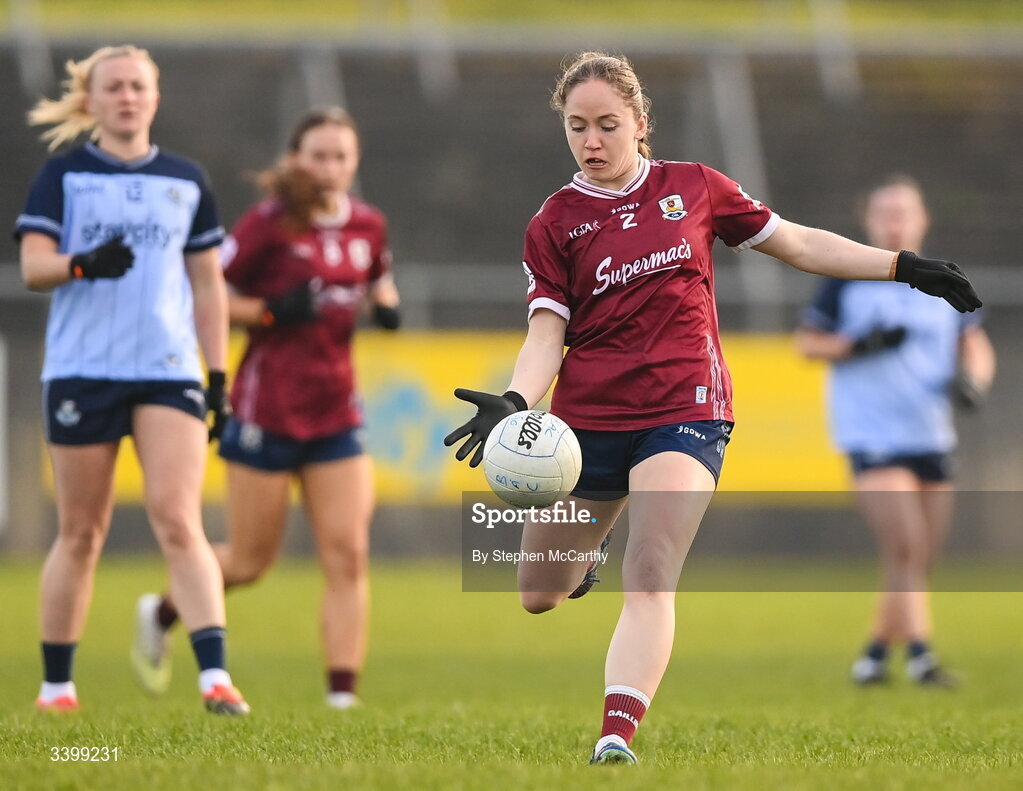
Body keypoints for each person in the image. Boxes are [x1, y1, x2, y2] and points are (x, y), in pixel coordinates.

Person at [444, 52, 981, 765]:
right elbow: (547, 332)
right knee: (539, 591)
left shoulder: (693, 188)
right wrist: (514, 401)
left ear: (641, 123)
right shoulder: (554, 222)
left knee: (653, 570)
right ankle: (590, 550)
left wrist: (901, 266)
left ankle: (615, 732)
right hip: (589, 423)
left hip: (686, 409)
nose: (591, 141)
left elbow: (794, 243)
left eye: (607, 124)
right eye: (577, 127)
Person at [132, 107, 400, 709]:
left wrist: (385, 304)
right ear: (295, 159)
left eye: (340, 156)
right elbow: (208, 293)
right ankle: (166, 608)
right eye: (318, 155)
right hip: (267, 409)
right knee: (252, 561)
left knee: (348, 551)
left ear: (354, 162)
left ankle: (342, 696)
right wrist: (272, 310)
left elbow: (378, 277)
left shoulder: (368, 225)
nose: (329, 168)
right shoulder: (267, 225)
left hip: (336, 411)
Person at [16, 45, 249, 715]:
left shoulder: (184, 180)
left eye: (137, 86)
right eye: (112, 87)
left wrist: (215, 376)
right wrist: (82, 264)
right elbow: (35, 266)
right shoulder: (64, 176)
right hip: (82, 369)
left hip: (166, 370)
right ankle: (57, 687)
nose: (126, 96)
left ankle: (215, 678)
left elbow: (209, 286)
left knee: (178, 518)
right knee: (81, 530)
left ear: (155, 96)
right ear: (90, 100)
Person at [796, 175, 996, 687]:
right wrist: (861, 345)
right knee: (906, 545)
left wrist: (972, 382)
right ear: (869, 220)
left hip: (930, 433)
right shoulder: (847, 277)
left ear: (923, 218)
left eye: (904, 211)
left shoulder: (943, 280)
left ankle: (874, 655)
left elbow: (974, 342)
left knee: (920, 555)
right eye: (884, 212)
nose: (894, 221)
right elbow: (808, 344)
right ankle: (924, 658)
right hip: (872, 435)